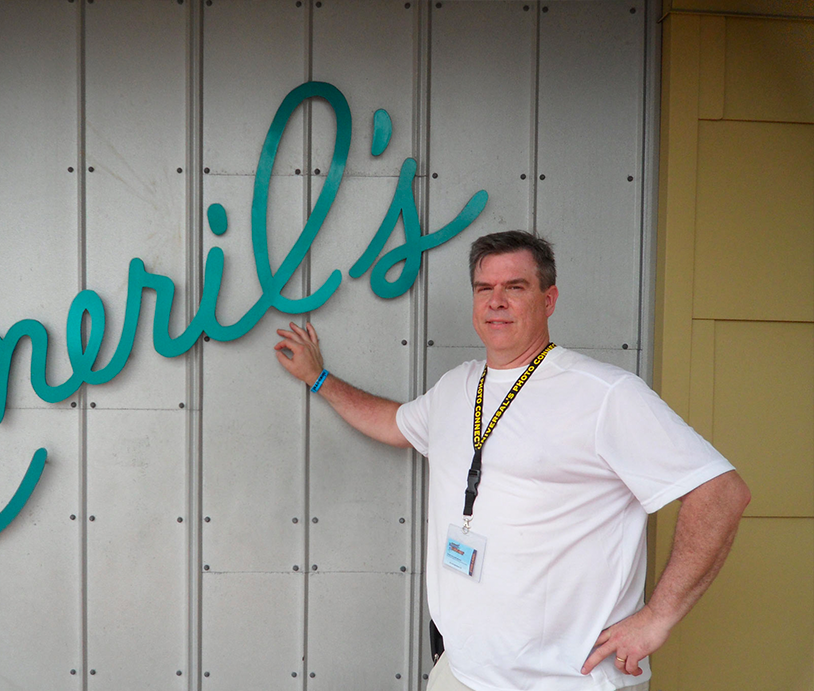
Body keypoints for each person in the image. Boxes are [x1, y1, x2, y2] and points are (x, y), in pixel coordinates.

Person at [274, 230, 749, 691]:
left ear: (549, 299)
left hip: (569, 682)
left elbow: (721, 491)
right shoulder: (457, 387)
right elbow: (394, 424)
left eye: (515, 287)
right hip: (463, 673)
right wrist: (319, 378)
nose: (496, 301)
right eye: (485, 288)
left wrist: (657, 618)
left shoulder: (605, 395)